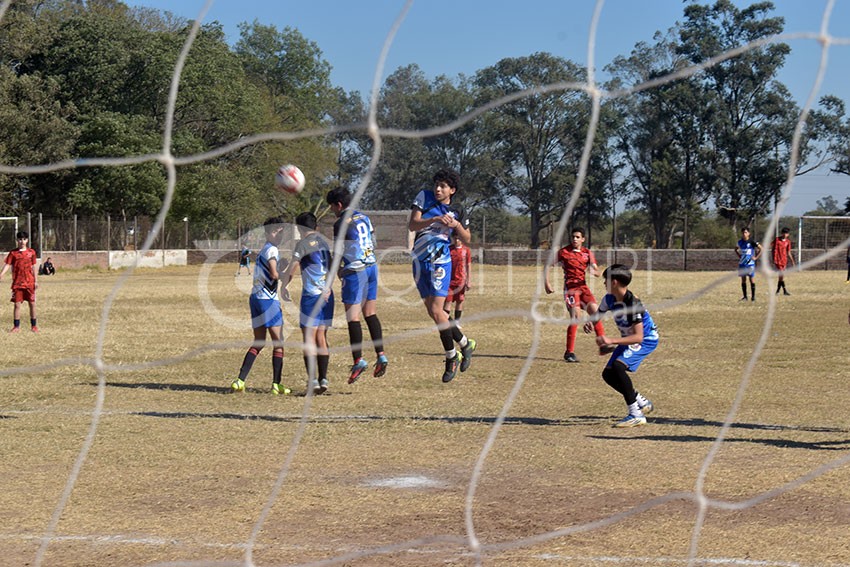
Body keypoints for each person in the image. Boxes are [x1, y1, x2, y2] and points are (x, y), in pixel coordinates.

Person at [409, 168, 477, 383]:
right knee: (434, 312)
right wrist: (435, 219)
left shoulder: (458, 210)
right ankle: (466, 343)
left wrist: (456, 225)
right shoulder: (424, 197)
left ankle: (451, 356)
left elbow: (467, 239)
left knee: (439, 311)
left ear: (452, 190)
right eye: (436, 184)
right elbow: (412, 224)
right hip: (420, 262)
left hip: (440, 261)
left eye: (443, 186)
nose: (438, 189)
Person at [326, 187, 388, 383]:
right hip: (371, 267)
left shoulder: (340, 224)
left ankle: (358, 359)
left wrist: (336, 271)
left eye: (332, 207)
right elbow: (373, 240)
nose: (332, 211)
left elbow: (337, 252)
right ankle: (381, 355)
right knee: (370, 313)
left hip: (355, 270)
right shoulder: (364, 217)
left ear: (339, 205)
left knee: (353, 317)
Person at [230, 217, 291, 395]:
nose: (278, 235)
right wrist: (287, 272)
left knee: (259, 342)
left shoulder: (266, 248)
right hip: (268, 300)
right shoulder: (272, 249)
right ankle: (276, 384)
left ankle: (240, 381)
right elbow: (273, 274)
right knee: (278, 344)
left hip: (255, 298)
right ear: (268, 232)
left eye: (280, 231)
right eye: (275, 231)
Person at [594, 264, 659, 428]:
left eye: (606, 281)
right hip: (629, 339)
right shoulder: (609, 299)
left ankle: (636, 414)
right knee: (608, 375)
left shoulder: (633, 304)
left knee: (617, 366)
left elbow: (638, 337)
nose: (604, 284)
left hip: (646, 339)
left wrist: (611, 341)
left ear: (614, 282)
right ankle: (639, 400)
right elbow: (598, 315)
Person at [284, 212, 334, 395]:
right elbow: (331, 268)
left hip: (311, 296)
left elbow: (293, 266)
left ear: (299, 228)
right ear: (316, 228)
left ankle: (313, 380)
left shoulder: (302, 244)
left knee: (308, 338)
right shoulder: (324, 244)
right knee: (321, 337)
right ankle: (323, 378)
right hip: (327, 296)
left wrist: (284, 285)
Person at [544, 227, 609, 362]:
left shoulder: (587, 253)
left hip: (583, 287)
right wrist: (547, 283)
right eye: (573, 237)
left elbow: (597, 271)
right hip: (571, 288)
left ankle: (603, 345)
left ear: (583, 239)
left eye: (578, 237)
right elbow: (548, 265)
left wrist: (594, 272)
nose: (575, 239)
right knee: (576, 317)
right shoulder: (564, 252)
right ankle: (569, 353)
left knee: (596, 312)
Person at [0, 231, 39, 333]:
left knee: (32, 303)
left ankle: (34, 326)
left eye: (24, 239)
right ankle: (16, 326)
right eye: (20, 239)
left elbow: (34, 266)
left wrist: (36, 280)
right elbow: (7, 264)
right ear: (17, 240)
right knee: (17, 305)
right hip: (17, 283)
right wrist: (1, 274)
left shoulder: (31, 252)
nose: (22, 241)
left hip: (29, 282)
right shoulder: (13, 253)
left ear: (27, 240)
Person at [444, 234, 471, 321]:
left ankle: (456, 322)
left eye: (458, 239)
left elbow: (468, 265)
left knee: (459, 301)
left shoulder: (466, 250)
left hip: (461, 280)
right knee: (447, 301)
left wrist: (468, 280)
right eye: (455, 238)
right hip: (449, 280)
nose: (456, 240)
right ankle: (445, 322)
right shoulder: (449, 249)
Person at [735, 227, 762, 301]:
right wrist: (739, 256)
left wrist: (756, 257)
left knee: (751, 279)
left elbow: (761, 248)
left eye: (746, 232)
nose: (744, 234)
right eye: (743, 232)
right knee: (743, 280)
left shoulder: (752, 241)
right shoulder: (740, 242)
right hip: (742, 264)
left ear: (749, 233)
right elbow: (736, 249)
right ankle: (745, 297)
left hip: (750, 264)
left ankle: (753, 297)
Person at [770, 227, 795, 295]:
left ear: (788, 234)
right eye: (784, 233)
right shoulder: (777, 240)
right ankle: (781, 291)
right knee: (781, 274)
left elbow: (788, 252)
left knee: (781, 276)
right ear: (781, 233)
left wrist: (792, 261)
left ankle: (781, 291)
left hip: (784, 260)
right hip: (777, 259)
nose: (785, 234)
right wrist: (773, 258)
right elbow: (772, 249)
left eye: (786, 233)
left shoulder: (788, 242)